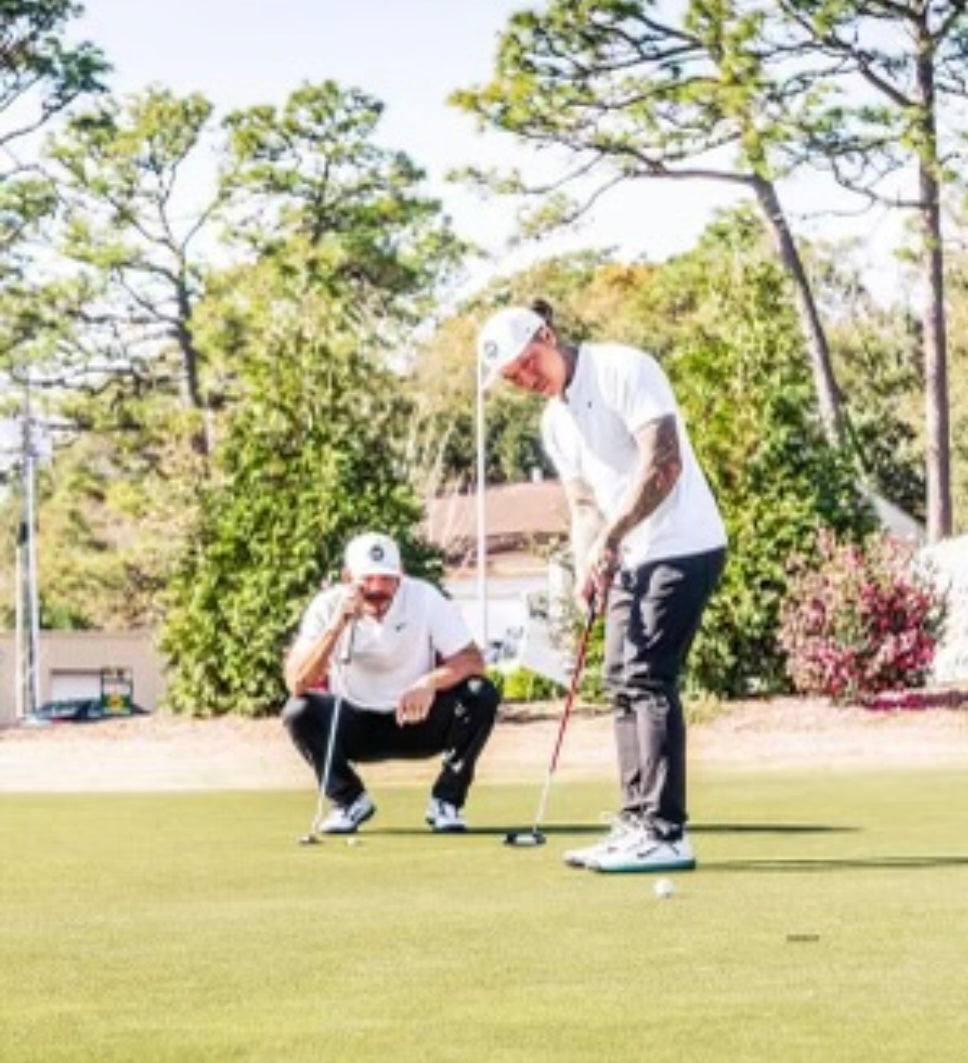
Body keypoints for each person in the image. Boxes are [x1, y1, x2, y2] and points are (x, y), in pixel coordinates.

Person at [476, 302, 727, 872]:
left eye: (527, 362)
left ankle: (666, 832)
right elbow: (585, 504)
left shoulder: (622, 368)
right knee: (620, 681)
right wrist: (586, 562)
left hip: (683, 545)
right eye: (514, 377)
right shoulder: (553, 421)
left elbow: (663, 466)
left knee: (646, 678)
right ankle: (637, 821)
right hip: (630, 553)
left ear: (548, 335)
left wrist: (613, 538)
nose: (526, 379)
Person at [282, 531, 500, 834]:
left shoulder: (424, 597)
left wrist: (429, 683)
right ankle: (348, 800)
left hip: (416, 719)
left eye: (387, 579)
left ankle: (446, 801)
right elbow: (297, 681)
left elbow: (473, 660)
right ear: (347, 577)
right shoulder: (326, 605)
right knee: (298, 710)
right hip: (354, 724)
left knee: (480, 693)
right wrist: (335, 627)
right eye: (367, 580)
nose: (377, 589)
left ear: (401, 576)